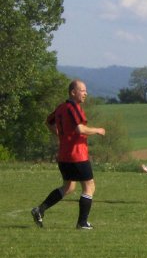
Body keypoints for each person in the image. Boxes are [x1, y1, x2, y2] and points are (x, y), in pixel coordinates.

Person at [31, 80, 106, 230]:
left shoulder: (61, 108)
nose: (85, 93)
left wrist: (61, 135)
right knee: (89, 187)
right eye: (82, 90)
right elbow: (80, 129)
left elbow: (48, 122)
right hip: (77, 155)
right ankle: (82, 223)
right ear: (73, 92)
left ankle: (40, 209)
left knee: (69, 187)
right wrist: (98, 130)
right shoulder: (73, 107)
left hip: (64, 156)